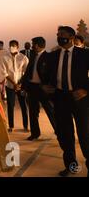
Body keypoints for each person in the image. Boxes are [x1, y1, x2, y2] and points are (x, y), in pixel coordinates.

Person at [46, 26, 89, 177]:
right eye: (58, 35)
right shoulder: (53, 55)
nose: (59, 37)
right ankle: (71, 166)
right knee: (65, 136)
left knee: (85, 134)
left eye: (62, 35)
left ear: (71, 37)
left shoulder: (84, 54)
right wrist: (48, 86)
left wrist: (85, 90)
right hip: (60, 99)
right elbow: (48, 75)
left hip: (80, 99)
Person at [22, 37, 56, 140]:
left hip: (43, 88)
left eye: (33, 44)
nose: (32, 46)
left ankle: (59, 131)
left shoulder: (49, 57)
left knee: (50, 111)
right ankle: (35, 133)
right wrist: (23, 87)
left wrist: (49, 86)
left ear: (37, 45)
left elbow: (53, 74)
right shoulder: (33, 56)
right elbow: (27, 73)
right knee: (33, 112)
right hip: (32, 88)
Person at [5, 40, 29, 132]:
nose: (12, 47)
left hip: (21, 86)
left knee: (23, 105)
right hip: (10, 85)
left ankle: (25, 126)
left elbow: (26, 73)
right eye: (10, 45)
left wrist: (19, 84)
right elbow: (5, 73)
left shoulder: (23, 58)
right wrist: (14, 84)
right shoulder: (5, 58)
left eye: (14, 45)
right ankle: (11, 126)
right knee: (10, 106)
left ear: (18, 46)